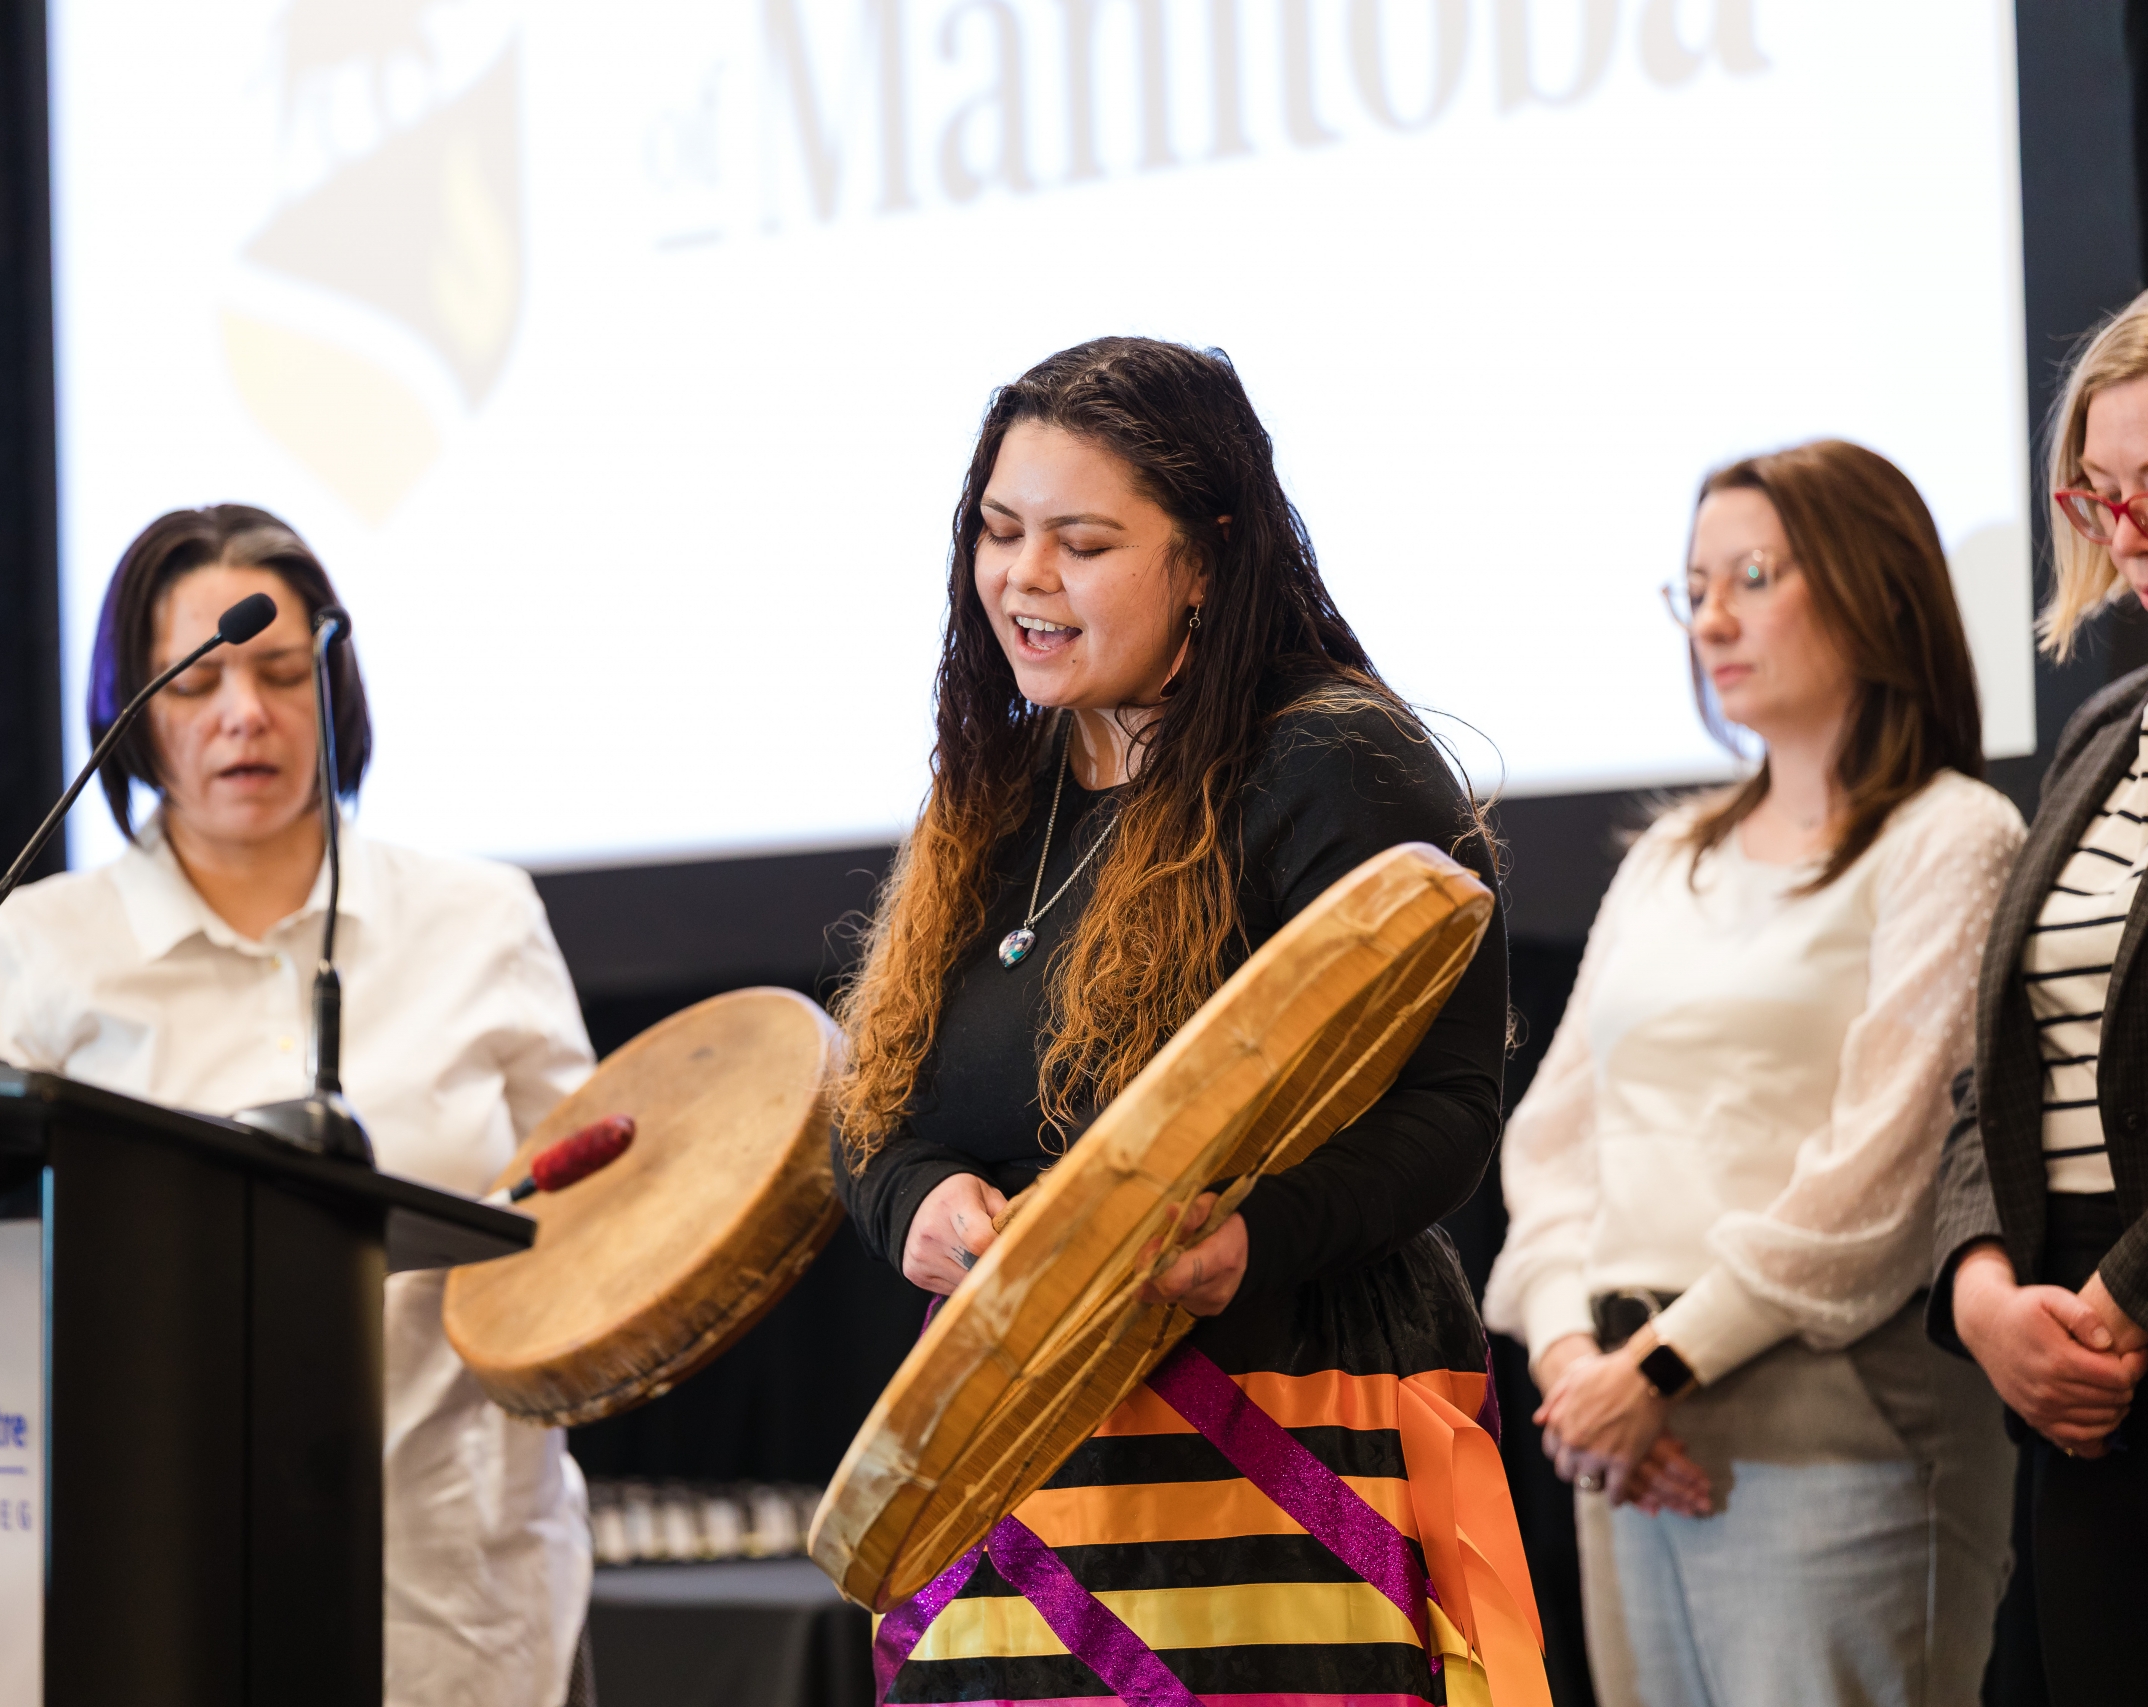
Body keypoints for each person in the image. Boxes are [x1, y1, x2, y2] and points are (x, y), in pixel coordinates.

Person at [831, 337, 1544, 1705]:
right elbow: (878, 1115)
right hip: (1016, 1456)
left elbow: (1448, 1112)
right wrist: (913, 1205)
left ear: (1208, 555)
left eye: (1080, 541)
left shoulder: (1333, 757)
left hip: (1288, 1438)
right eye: (998, 529)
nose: (1023, 577)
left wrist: (1247, 1237)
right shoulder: (994, 791)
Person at [0, 505, 596, 1707]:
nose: (244, 714)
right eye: (196, 683)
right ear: (132, 714)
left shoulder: (481, 921)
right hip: (142, 1581)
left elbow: (592, 1229)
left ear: (330, 685)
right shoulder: (40, 953)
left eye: (282, 672)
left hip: (455, 1592)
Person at [1483, 440, 2021, 1706]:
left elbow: (1878, 1171)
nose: (1712, 617)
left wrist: (1659, 1367)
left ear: (1872, 588)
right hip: (1624, 1444)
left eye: (1754, 576)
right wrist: (1575, 1373)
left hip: (1832, 1440)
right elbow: (1552, 1142)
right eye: (1693, 586)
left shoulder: (1951, 834)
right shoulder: (1672, 850)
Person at [1930, 290, 2148, 1704]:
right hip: (2062, 1348)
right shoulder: (2098, 735)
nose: (2123, 528)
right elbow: (1989, 1070)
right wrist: (1982, 1287)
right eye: (2103, 491)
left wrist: (2126, 1298)